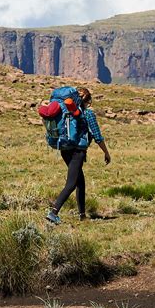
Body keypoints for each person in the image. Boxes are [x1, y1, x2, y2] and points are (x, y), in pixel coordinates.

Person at [46, 87, 111, 224]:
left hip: (65, 148)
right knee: (71, 183)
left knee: (80, 181)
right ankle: (53, 212)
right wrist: (106, 153)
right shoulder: (87, 114)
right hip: (78, 151)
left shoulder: (67, 112)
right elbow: (97, 137)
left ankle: (82, 215)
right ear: (87, 101)